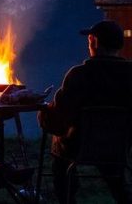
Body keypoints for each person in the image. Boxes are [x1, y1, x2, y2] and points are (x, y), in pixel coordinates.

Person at [39, 20, 132, 204]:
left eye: (91, 38)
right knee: (111, 158)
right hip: (120, 144)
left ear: (94, 42)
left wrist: (43, 113)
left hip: (79, 146)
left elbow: (58, 121)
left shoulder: (79, 75)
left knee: (60, 151)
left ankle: (67, 197)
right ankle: (122, 195)